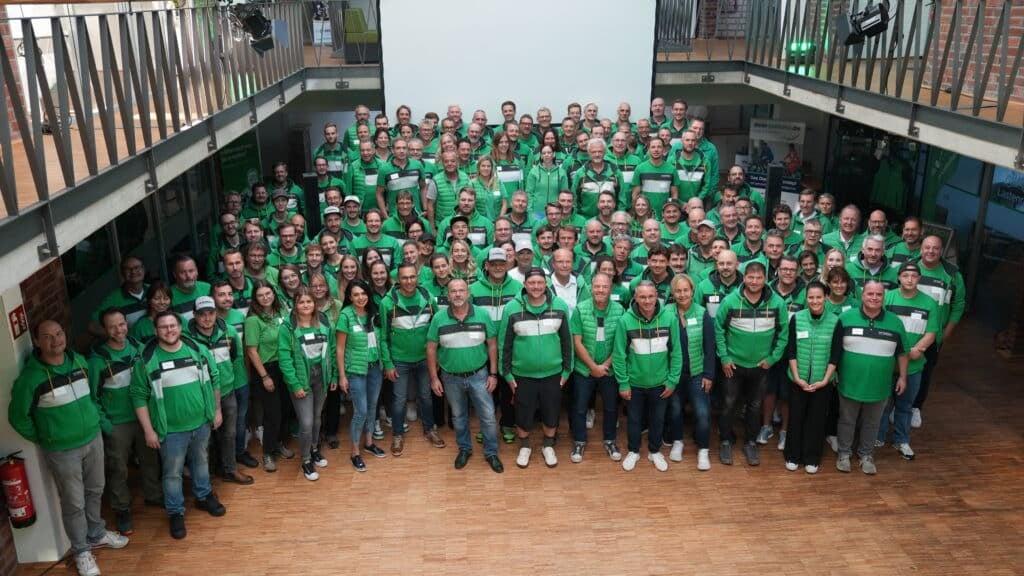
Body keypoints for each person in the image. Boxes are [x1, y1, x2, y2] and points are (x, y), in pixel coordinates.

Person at [10, 320, 129, 576]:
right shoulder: (30, 379)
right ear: (37, 342)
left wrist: (97, 423)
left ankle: (96, 533)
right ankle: (81, 551)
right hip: (63, 451)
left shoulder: (80, 363)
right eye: (47, 336)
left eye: (59, 333)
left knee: (96, 489)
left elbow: (90, 398)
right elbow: (18, 418)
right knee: (73, 503)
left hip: (92, 438)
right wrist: (47, 437)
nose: (55, 340)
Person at [131, 311, 225, 540]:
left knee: (201, 461)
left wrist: (216, 409)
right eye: (163, 327)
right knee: (172, 473)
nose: (169, 330)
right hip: (170, 431)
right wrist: (148, 430)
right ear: (156, 331)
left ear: (180, 327)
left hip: (201, 423)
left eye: (173, 325)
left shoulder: (196, 349)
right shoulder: (147, 358)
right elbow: (138, 395)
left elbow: (214, 378)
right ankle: (175, 512)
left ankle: (203, 496)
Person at [88, 310, 162, 535]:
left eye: (122, 324)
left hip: (144, 418)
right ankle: (122, 509)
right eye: (112, 327)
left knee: (150, 458)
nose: (119, 330)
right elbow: (92, 398)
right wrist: (107, 425)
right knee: (118, 468)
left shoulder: (139, 348)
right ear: (104, 329)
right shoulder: (97, 360)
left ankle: (154, 495)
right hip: (117, 423)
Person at [714, 261, 789, 466]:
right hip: (733, 366)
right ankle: (726, 441)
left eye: (759, 278)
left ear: (765, 279)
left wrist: (773, 358)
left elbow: (784, 334)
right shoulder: (730, 301)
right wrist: (725, 357)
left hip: (761, 367)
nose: (754, 281)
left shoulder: (777, 303)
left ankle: (750, 442)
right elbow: (718, 329)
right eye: (750, 277)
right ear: (744, 277)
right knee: (728, 404)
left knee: (755, 407)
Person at [426, 278, 504, 473]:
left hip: (479, 375)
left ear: (468, 293)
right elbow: (431, 348)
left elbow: (492, 344)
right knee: (459, 417)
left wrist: (493, 374)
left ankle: (491, 452)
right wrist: (434, 378)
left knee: (488, 416)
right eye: (453, 291)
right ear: (447, 295)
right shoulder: (438, 318)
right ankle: (465, 449)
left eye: (461, 290)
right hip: (451, 377)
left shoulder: (482, 315)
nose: (458, 294)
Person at [499, 268, 573, 469]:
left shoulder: (559, 306)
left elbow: (567, 342)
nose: (536, 287)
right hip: (522, 375)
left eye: (540, 283)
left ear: (546, 285)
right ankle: (525, 446)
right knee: (523, 414)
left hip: (553, 374)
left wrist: (567, 371)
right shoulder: (512, 309)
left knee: (551, 412)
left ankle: (548, 445)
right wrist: (506, 373)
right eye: (532, 283)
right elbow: (504, 344)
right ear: (524, 284)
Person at [833, 280, 909, 475]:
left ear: (884, 297)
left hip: (880, 385)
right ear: (862, 295)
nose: (874, 298)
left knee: (872, 422)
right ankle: (843, 453)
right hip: (850, 383)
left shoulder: (895, 322)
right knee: (847, 420)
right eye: (870, 294)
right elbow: (834, 351)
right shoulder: (845, 318)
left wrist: (902, 377)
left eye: (879, 295)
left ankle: (866, 455)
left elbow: (902, 353)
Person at [613, 282, 682, 472]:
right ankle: (634, 451)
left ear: (656, 297)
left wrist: (672, 380)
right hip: (634, 383)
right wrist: (623, 383)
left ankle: (654, 451)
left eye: (651, 296)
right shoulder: (625, 321)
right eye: (642, 297)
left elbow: (676, 352)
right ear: (635, 298)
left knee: (658, 419)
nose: (647, 301)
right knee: (634, 420)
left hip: (661, 383)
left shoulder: (669, 318)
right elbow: (619, 355)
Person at [185, 297, 253, 487]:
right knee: (205, 439)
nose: (207, 318)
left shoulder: (229, 332)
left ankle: (230, 469)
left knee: (229, 433)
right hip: (201, 397)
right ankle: (208, 475)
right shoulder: (187, 339)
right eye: (202, 315)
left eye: (210, 313)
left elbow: (236, 357)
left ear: (216, 313)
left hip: (227, 390)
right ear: (194, 316)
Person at [381, 262, 445, 456]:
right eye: (404, 278)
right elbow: (383, 337)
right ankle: (398, 435)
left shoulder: (427, 297)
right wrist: (388, 363)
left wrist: (438, 357)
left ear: (417, 277)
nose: (409, 281)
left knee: (426, 397)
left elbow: (437, 329)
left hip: (425, 359)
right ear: (398, 280)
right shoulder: (387, 302)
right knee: (399, 400)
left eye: (412, 277)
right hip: (400, 360)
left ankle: (430, 429)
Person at [876, 262, 938, 460]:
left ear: (919, 279)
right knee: (883, 404)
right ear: (899, 278)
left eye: (914, 276)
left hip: (913, 366)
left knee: (905, 406)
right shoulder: (889, 298)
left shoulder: (929, 303)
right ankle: (878, 437)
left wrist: (919, 349)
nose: (910, 279)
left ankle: (901, 440)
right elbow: (879, 324)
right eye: (905, 275)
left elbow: (931, 332)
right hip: (887, 364)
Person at [278, 287, 337, 481]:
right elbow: (285, 359)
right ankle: (305, 460)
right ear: (295, 305)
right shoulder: (287, 328)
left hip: (321, 377)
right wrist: (295, 385)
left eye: (309, 302)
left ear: (314, 303)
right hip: (301, 380)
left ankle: (313, 450)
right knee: (306, 422)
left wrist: (333, 377)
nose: (306, 305)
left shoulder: (323, 323)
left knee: (317, 417)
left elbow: (333, 351)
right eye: (302, 302)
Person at [782, 281, 839, 474]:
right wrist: (797, 377)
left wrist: (825, 380)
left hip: (822, 382)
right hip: (798, 380)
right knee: (796, 418)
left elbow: (835, 354)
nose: (815, 301)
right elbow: (791, 350)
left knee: (816, 421)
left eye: (819, 297)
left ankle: (812, 457)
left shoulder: (835, 321)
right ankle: (792, 455)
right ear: (806, 298)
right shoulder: (797, 319)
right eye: (811, 297)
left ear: (825, 298)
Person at [568, 272, 625, 463]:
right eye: (597, 286)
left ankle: (610, 440)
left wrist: (605, 366)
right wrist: (593, 367)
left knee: (610, 407)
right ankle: (579, 441)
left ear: (611, 289)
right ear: (591, 288)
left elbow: (620, 343)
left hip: (609, 370)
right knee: (579, 408)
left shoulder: (619, 311)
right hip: (584, 369)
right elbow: (577, 342)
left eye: (605, 287)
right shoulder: (580, 309)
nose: (600, 290)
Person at [913, 235, 965, 429]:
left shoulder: (951, 274)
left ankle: (916, 407)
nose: (931, 251)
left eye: (935, 248)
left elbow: (959, 304)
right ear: (921, 249)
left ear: (941, 250)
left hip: (934, 335)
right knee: (900, 370)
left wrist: (948, 330)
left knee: (925, 371)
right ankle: (896, 405)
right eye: (927, 247)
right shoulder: (910, 268)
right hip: (909, 331)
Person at [665, 274, 716, 470]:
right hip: (674, 374)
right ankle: (677, 442)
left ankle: (703, 450)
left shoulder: (702, 313)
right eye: (678, 290)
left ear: (692, 291)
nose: (682, 294)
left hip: (697, 373)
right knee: (675, 410)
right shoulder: (666, 312)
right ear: (673, 292)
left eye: (686, 290)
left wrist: (709, 374)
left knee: (702, 413)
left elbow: (710, 347)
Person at [336, 279, 387, 471]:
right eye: (356, 294)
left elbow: (380, 340)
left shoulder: (373, 314)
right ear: (350, 297)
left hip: (375, 367)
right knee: (361, 411)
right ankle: (355, 451)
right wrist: (342, 376)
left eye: (363, 293)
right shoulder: (345, 316)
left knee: (373, 407)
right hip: (355, 371)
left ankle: (369, 442)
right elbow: (339, 349)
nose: (360, 297)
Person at [244, 280, 293, 472]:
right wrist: (265, 377)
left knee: (286, 409)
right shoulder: (253, 320)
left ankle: (279, 444)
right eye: (260, 295)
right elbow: (252, 351)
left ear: (274, 293)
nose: (265, 297)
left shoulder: (282, 313)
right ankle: (268, 453)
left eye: (268, 293)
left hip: (285, 366)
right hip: (267, 369)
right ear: (255, 299)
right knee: (273, 413)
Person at [90, 256, 149, 335]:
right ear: (122, 273)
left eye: (137, 267)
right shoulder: (114, 298)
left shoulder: (153, 290)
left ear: (144, 270)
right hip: (131, 345)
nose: (133, 272)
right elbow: (92, 326)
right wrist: (117, 337)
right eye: (128, 269)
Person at [169, 255, 210, 322]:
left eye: (191, 271)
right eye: (182, 272)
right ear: (175, 275)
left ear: (197, 272)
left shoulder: (207, 288)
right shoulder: (169, 294)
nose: (188, 276)